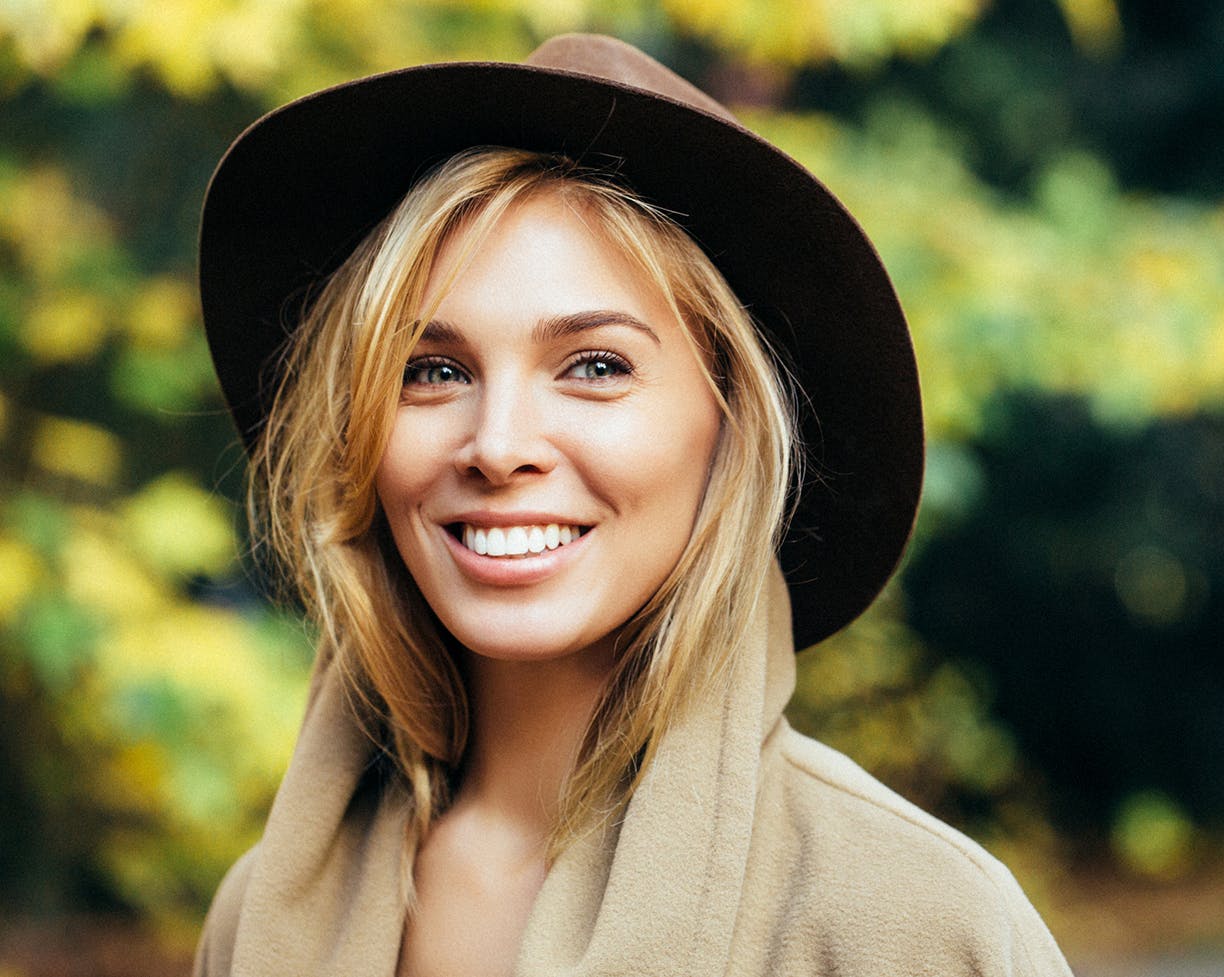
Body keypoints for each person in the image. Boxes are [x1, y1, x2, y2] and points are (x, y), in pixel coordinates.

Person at [194, 34, 1072, 977]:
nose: (496, 444)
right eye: (432, 371)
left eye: (596, 366)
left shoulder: (915, 926)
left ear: (732, 423)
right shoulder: (263, 916)